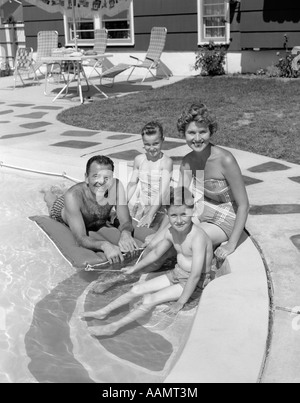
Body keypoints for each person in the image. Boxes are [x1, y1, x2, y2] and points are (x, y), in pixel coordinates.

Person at [82, 187, 213, 337]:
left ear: (193, 211)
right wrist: (134, 268)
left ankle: (114, 326)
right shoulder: (172, 232)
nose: (179, 220)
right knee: (136, 290)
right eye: (173, 215)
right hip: (177, 274)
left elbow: (195, 275)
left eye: (184, 214)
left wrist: (181, 302)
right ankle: (103, 312)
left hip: (192, 282)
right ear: (167, 214)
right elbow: (157, 253)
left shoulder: (197, 238)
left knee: (149, 300)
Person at [146, 102, 250, 263]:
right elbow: (177, 201)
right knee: (156, 245)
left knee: (185, 242)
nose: (197, 138)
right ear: (184, 133)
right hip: (204, 210)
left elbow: (244, 205)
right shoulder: (188, 161)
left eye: (203, 132)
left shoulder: (225, 160)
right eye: (191, 132)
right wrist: (158, 233)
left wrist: (231, 244)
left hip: (228, 214)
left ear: (211, 132)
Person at [44, 155, 139, 264]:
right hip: (62, 209)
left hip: (84, 204)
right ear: (86, 177)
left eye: (106, 177)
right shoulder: (73, 196)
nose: (101, 182)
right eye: (96, 176)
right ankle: (48, 192)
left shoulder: (116, 187)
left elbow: (125, 220)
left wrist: (126, 233)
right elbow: (81, 238)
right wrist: (105, 245)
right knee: (51, 202)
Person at [127, 121, 173, 230]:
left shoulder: (166, 162)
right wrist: (123, 203)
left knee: (151, 233)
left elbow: (162, 191)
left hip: (160, 207)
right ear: (143, 142)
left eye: (155, 143)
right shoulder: (139, 160)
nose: (151, 148)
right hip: (144, 204)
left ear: (162, 140)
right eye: (147, 144)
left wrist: (150, 215)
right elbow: (132, 184)